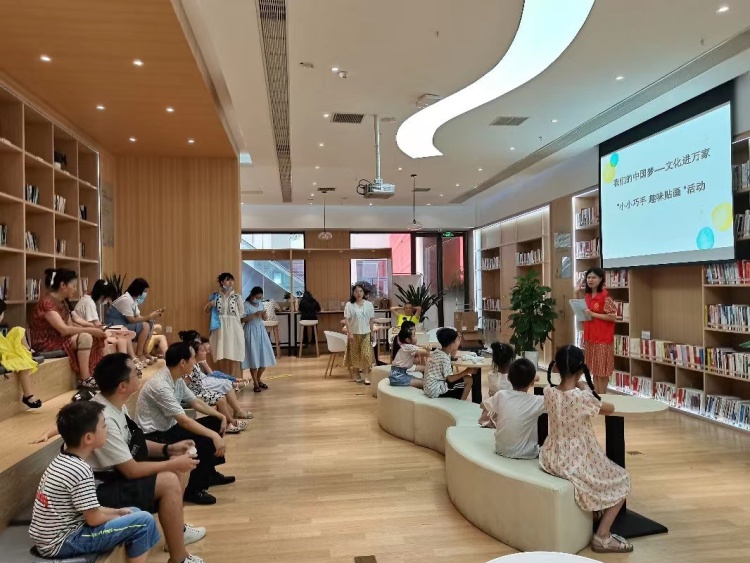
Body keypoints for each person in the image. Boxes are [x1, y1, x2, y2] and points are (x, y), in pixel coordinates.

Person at [87, 353, 206, 563]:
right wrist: (171, 463)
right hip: (97, 491)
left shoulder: (117, 405)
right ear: (122, 386)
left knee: (178, 465)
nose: (140, 373)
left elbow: (135, 446)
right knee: (170, 479)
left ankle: (177, 530)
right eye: (136, 372)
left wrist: (168, 449)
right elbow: (130, 470)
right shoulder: (103, 417)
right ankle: (179, 558)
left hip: (115, 476)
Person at [29, 401, 160, 563]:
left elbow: (90, 510)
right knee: (144, 522)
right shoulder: (80, 469)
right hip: (64, 542)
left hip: (56, 537)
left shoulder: (64, 459)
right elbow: (93, 519)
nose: (107, 430)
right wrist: (115, 514)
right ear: (88, 438)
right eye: (104, 426)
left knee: (133, 511)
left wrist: (118, 512)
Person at [540, 345, 633, 554]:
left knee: (605, 475)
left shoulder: (548, 392)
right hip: (576, 458)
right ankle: (603, 536)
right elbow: (609, 408)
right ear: (581, 370)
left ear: (556, 368)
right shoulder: (581, 397)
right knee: (622, 480)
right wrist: (586, 388)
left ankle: (596, 512)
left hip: (552, 456)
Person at [136, 342, 234, 505]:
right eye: (193, 358)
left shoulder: (176, 378)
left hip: (169, 427)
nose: (195, 362)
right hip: (155, 436)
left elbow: (194, 401)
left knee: (215, 422)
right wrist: (214, 435)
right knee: (204, 440)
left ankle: (209, 473)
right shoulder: (160, 385)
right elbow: (184, 421)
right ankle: (192, 490)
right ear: (182, 362)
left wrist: (220, 415)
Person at [29, 269, 106, 389]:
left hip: (60, 339)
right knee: (85, 337)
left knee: (95, 336)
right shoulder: (46, 303)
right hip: (47, 342)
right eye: (73, 286)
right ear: (63, 285)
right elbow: (63, 329)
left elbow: (70, 326)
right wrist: (90, 330)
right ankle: (85, 379)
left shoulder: (62, 303)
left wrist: (94, 329)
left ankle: (96, 373)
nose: (75, 289)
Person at [179, 330, 252, 429]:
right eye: (202, 351)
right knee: (221, 399)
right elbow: (184, 383)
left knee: (222, 396)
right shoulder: (190, 365)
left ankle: (229, 422)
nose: (205, 352)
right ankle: (231, 423)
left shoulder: (194, 363)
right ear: (195, 353)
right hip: (195, 394)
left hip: (199, 390)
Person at [481, 358, 545, 458]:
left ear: (508, 378)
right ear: (532, 382)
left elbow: (483, 405)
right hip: (526, 454)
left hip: (501, 449)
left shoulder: (501, 395)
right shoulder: (537, 401)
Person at [74, 279, 142, 369]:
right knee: (122, 335)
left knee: (124, 330)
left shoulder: (88, 300)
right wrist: (108, 334)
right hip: (89, 331)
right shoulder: (88, 303)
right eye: (108, 298)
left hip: (93, 328)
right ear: (103, 296)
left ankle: (129, 360)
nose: (108, 301)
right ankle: (123, 365)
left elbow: (96, 323)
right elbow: (96, 324)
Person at [106, 278, 163, 366]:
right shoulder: (125, 300)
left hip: (125, 324)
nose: (145, 294)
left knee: (150, 323)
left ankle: (144, 353)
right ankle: (139, 354)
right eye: (144, 291)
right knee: (145, 326)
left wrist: (152, 317)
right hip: (115, 325)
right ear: (138, 290)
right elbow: (132, 320)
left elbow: (138, 317)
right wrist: (149, 317)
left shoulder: (133, 300)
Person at [579, 267, 617, 395]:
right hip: (590, 337)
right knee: (594, 369)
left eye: (593, 277)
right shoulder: (587, 295)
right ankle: (597, 395)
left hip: (602, 338)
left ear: (600, 279)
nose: (590, 280)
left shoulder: (605, 296)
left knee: (602, 371)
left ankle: (603, 395)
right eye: (588, 277)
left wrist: (593, 314)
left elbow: (613, 316)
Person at [0, 299, 41, 408]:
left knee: (18, 330)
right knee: (22, 363)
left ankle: (28, 350)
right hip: (4, 353)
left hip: (5, 348)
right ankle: (28, 395)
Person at [205, 273, 245, 378]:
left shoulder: (237, 297)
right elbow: (206, 310)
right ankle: (224, 378)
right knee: (221, 353)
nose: (230, 282)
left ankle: (232, 378)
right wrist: (210, 304)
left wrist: (235, 320)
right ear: (222, 282)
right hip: (219, 327)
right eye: (228, 280)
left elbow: (242, 312)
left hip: (234, 327)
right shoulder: (215, 296)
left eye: (232, 280)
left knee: (234, 352)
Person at [423, 328, 474, 400]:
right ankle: (461, 403)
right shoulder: (444, 358)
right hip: (436, 391)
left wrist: (456, 344)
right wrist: (467, 371)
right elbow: (450, 379)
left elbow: (452, 355)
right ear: (451, 344)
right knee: (469, 380)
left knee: (463, 380)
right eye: (457, 340)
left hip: (429, 388)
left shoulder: (438, 351)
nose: (459, 341)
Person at [242, 287, 277, 392]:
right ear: (252, 296)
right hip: (250, 331)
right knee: (253, 358)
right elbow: (242, 319)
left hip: (261, 330)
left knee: (264, 357)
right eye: (257, 298)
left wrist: (264, 315)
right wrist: (253, 315)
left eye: (260, 298)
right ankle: (256, 384)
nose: (259, 299)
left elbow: (264, 318)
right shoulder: (245, 305)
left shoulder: (261, 304)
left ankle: (258, 379)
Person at [343, 284, 375, 385]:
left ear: (364, 293)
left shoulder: (369, 304)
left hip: (366, 333)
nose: (359, 293)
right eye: (356, 291)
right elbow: (346, 320)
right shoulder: (349, 305)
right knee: (355, 355)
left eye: (361, 291)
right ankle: (357, 374)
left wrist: (372, 332)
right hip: (354, 333)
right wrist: (350, 333)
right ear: (353, 293)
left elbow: (371, 319)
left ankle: (366, 375)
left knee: (366, 355)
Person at [478, 342, 515, 428]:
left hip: (494, 409)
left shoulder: (491, 375)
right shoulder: (514, 377)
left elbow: (491, 395)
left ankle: (492, 421)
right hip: (511, 409)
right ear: (511, 360)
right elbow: (536, 377)